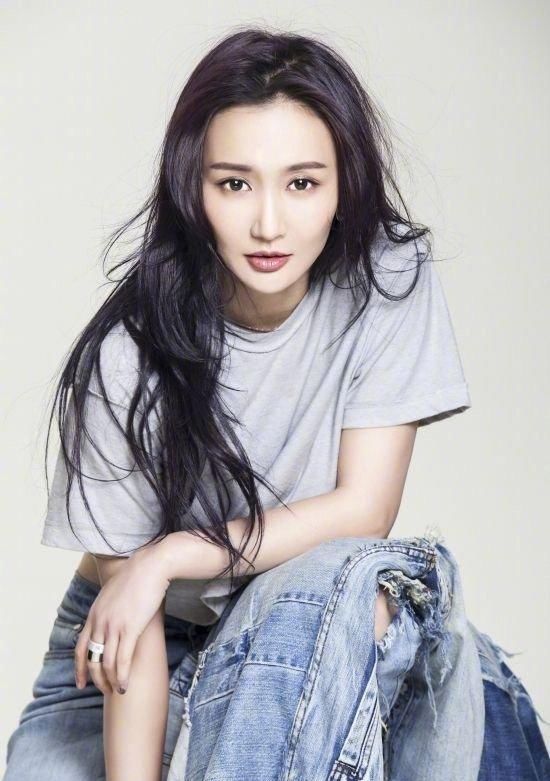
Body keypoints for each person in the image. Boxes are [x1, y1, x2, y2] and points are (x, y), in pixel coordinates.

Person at [3, 27, 549, 781]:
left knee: (330, 586)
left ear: (343, 185)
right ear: (192, 188)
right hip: (131, 637)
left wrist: (170, 555)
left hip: (309, 610)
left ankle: (449, 680)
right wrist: (148, 578)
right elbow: (134, 619)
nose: (268, 224)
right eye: (235, 184)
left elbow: (364, 510)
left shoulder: (388, 280)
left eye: (302, 184)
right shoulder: (129, 354)